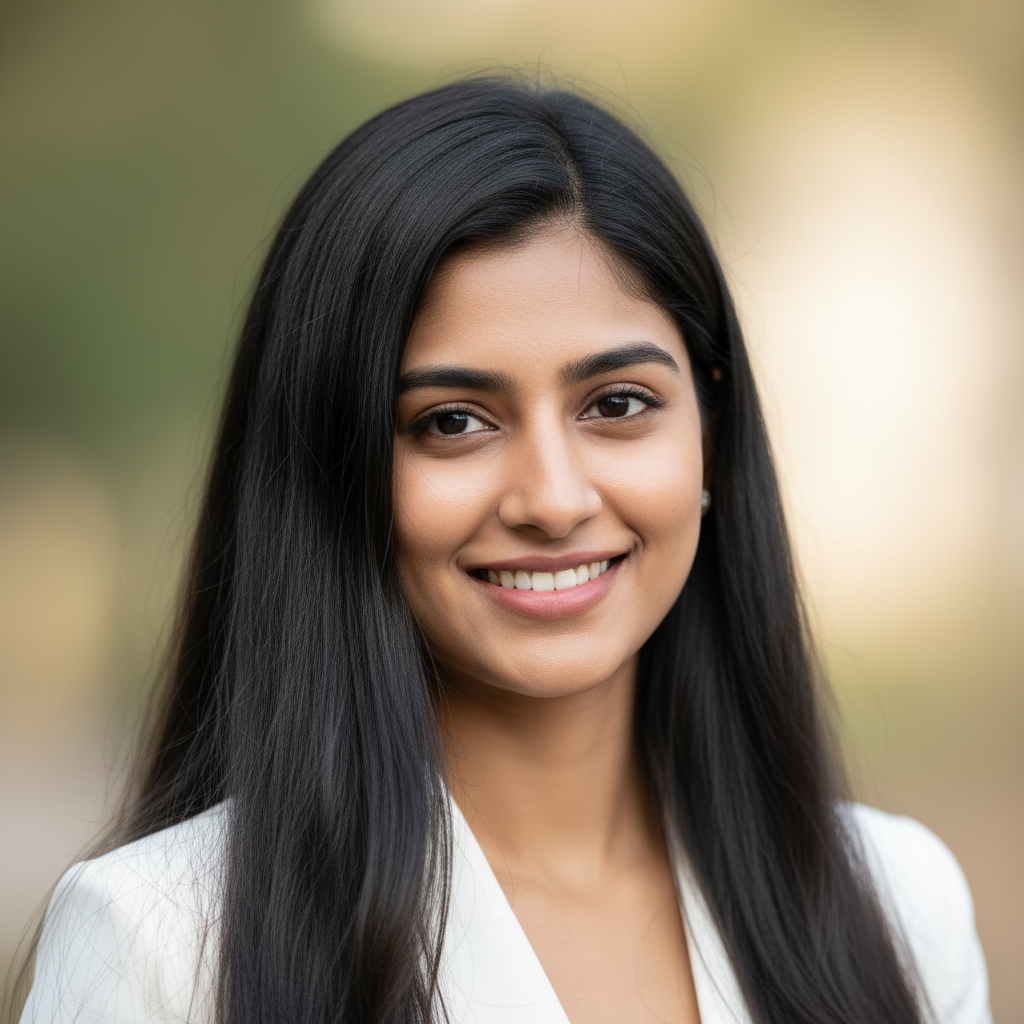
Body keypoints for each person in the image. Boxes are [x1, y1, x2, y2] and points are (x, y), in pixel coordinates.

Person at [9, 75, 991, 1024]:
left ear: (712, 432)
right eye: (452, 422)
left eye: (616, 405)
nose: (554, 501)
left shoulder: (899, 909)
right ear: (329, 469)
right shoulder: (161, 945)